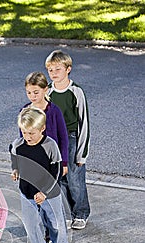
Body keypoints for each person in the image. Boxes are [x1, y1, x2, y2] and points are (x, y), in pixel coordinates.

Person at [10, 107, 71, 243]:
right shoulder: (17, 145)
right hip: (27, 192)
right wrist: (15, 170)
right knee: (32, 224)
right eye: (24, 132)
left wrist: (45, 192)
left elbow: (56, 171)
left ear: (42, 128)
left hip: (49, 192)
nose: (27, 137)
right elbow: (15, 160)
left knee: (55, 222)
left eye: (31, 133)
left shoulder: (50, 146)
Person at [45, 50, 91, 230]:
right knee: (59, 178)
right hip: (53, 139)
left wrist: (82, 153)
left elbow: (84, 122)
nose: (54, 73)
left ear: (68, 69)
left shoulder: (75, 91)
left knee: (74, 179)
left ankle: (81, 212)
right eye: (50, 70)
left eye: (58, 69)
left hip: (71, 138)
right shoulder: (48, 91)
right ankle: (65, 213)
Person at [21, 71, 69, 176]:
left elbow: (63, 137)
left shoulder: (54, 111)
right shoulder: (24, 111)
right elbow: (22, 138)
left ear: (45, 90)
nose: (32, 96)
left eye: (36, 92)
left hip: (51, 160)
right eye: (28, 92)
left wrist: (64, 162)